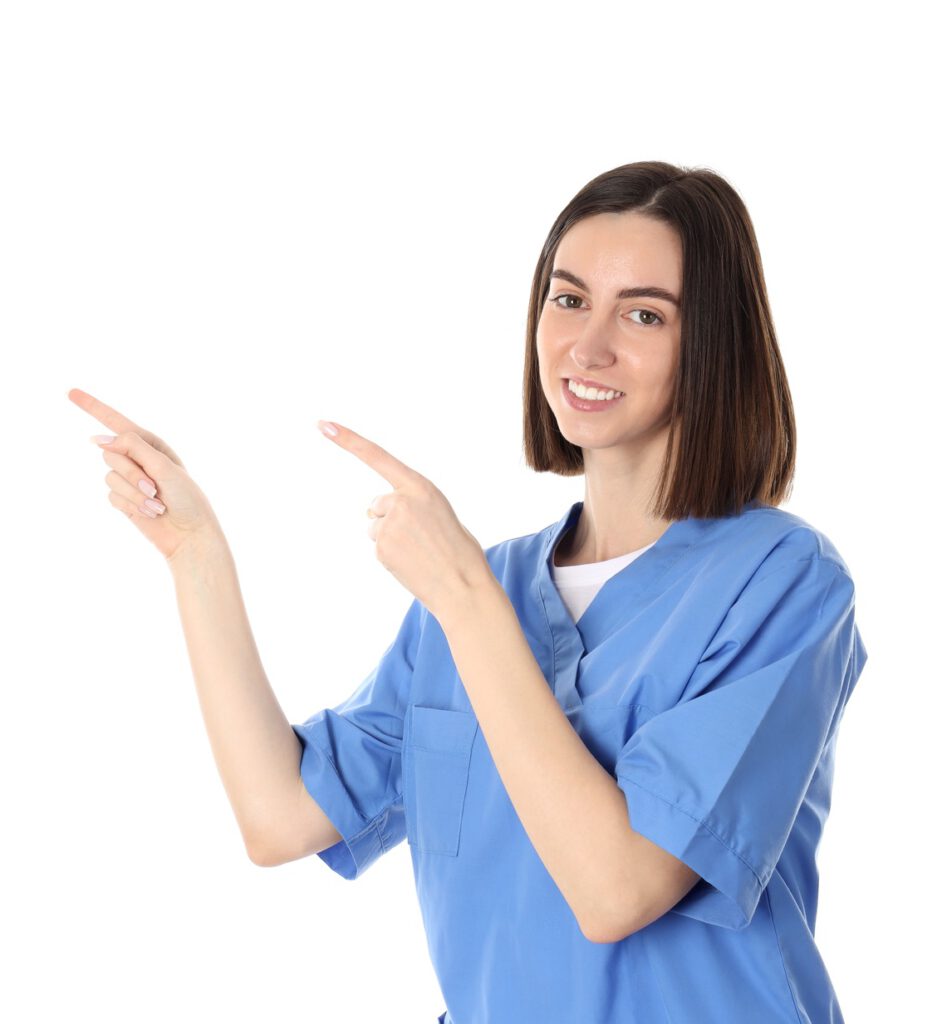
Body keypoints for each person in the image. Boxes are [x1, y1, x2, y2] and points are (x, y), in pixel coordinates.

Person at [70, 160, 868, 1024]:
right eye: (567, 300)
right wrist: (195, 554)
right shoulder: (487, 587)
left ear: (715, 343)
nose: (587, 346)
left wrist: (461, 595)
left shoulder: (779, 581)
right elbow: (281, 817)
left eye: (642, 314)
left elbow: (616, 890)